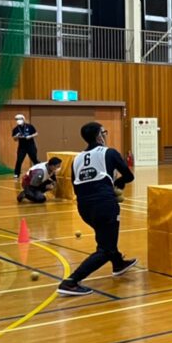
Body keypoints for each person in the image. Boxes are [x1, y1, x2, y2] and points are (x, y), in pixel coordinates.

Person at [56, 123, 136, 296]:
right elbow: (129, 176)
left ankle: (118, 264)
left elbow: (76, 186)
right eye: (104, 132)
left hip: (84, 208)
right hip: (104, 205)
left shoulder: (77, 159)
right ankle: (71, 281)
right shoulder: (109, 152)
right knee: (105, 249)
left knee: (106, 236)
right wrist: (117, 184)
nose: (105, 135)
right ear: (99, 136)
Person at [12, 114, 39, 178]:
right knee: (19, 160)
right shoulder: (15, 129)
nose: (18, 120)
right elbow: (14, 139)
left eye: (20, 119)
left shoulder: (29, 126)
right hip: (22, 147)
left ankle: (40, 170)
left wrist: (30, 136)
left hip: (31, 146)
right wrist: (16, 136)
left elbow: (36, 133)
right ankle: (16, 174)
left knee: (34, 159)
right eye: (17, 119)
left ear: (23, 119)